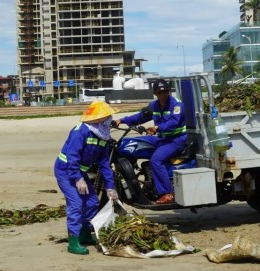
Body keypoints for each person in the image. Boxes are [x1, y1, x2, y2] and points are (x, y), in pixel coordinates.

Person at [54, 101, 118, 255]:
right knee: (76, 204)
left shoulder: (102, 136)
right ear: (99, 119)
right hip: (65, 170)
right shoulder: (80, 132)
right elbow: (72, 156)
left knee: (91, 202)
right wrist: (78, 179)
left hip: (79, 172)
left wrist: (110, 186)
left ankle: (84, 234)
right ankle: (73, 241)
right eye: (108, 117)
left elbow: (104, 163)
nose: (110, 120)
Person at [112, 78, 187, 204]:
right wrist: (121, 121)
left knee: (156, 160)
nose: (163, 95)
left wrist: (157, 128)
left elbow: (173, 122)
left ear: (168, 91)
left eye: (165, 92)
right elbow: (140, 116)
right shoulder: (154, 105)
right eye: (159, 93)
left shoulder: (177, 105)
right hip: (162, 138)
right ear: (155, 94)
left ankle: (167, 193)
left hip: (176, 140)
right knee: (131, 143)